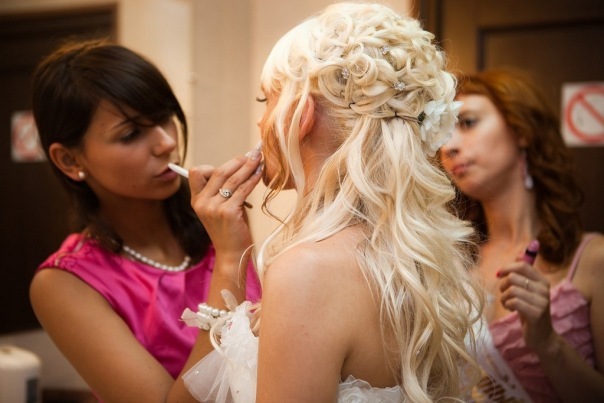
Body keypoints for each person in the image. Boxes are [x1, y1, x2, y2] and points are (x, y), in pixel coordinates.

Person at [177, 3, 483, 402]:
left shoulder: (307, 271)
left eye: (266, 100)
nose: (261, 122)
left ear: (300, 114)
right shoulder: (422, 258)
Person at [28, 39, 262, 402]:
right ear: (70, 161)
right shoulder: (63, 284)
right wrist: (230, 258)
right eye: (131, 134)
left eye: (165, 117)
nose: (166, 142)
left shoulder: (215, 222)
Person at [439, 68, 604, 402]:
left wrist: (548, 343)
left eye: (468, 122)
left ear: (522, 131)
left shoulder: (593, 258)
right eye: (442, 132)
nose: (449, 146)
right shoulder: (450, 263)